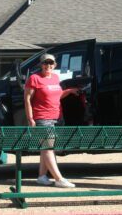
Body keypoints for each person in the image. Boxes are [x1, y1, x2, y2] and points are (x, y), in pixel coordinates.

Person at [24, 53, 79, 188]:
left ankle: (42, 176)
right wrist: (30, 118)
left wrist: (70, 91)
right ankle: (59, 178)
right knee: (48, 148)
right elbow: (27, 99)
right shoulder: (34, 78)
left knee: (46, 147)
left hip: (56, 117)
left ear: (54, 65)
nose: (48, 65)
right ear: (41, 65)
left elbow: (57, 95)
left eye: (50, 63)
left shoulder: (55, 77)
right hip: (42, 118)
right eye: (45, 63)